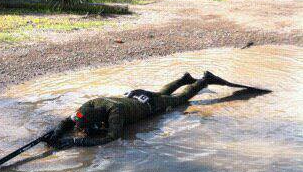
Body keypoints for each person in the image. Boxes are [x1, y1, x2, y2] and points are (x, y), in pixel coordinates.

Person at [45, 70, 264, 149]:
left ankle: (204, 81)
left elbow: (111, 138)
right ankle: (183, 78)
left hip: (148, 106)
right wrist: (58, 130)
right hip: (136, 94)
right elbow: (71, 119)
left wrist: (75, 142)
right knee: (161, 92)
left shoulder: (115, 114)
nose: (81, 129)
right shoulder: (90, 105)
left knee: (179, 99)